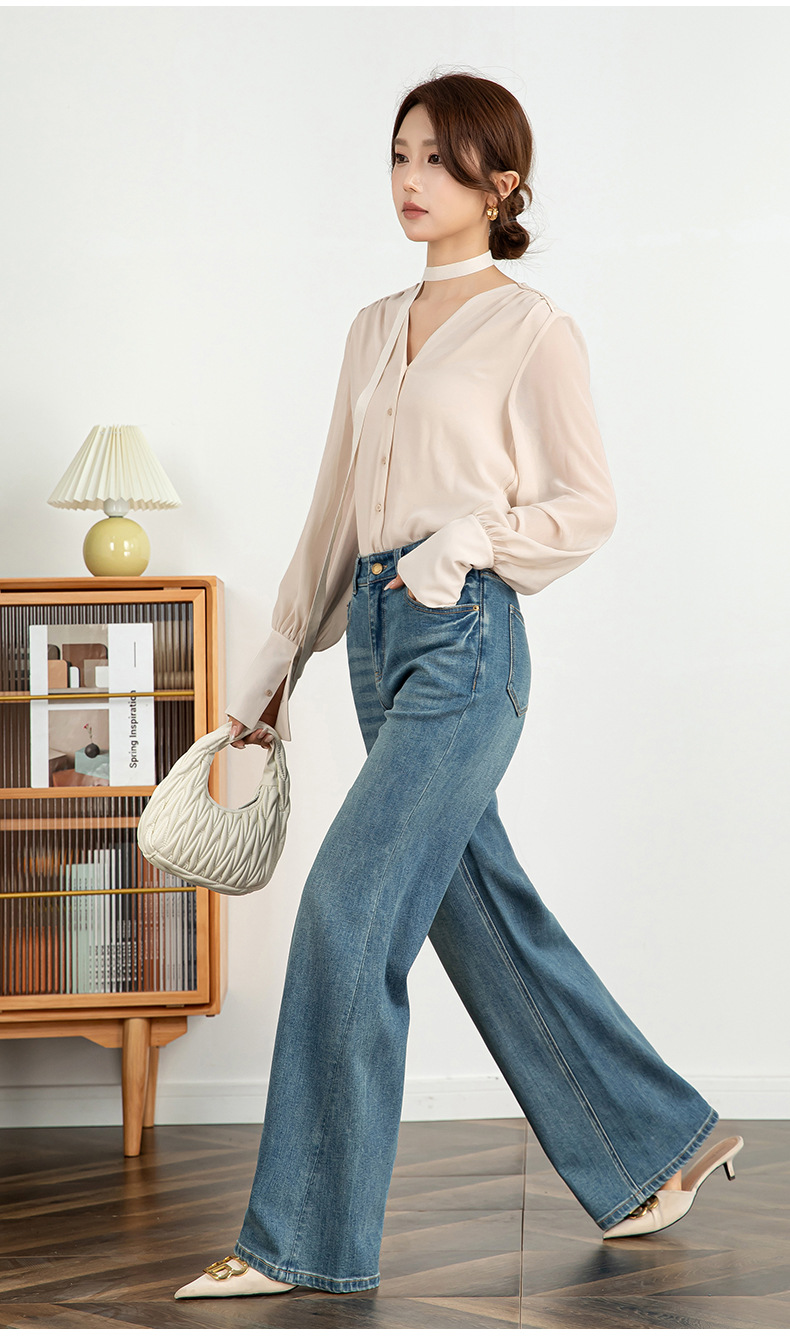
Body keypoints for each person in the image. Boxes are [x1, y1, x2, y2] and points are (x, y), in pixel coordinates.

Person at [175, 71, 742, 1301]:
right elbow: (335, 509)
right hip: (374, 638)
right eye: (399, 154)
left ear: (501, 181)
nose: (410, 178)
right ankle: (651, 1149)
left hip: (466, 637)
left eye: (437, 158)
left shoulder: (533, 328)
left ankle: (298, 1237)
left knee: (347, 909)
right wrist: (274, 663)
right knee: (480, 913)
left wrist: (473, 538)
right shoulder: (371, 326)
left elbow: (586, 504)